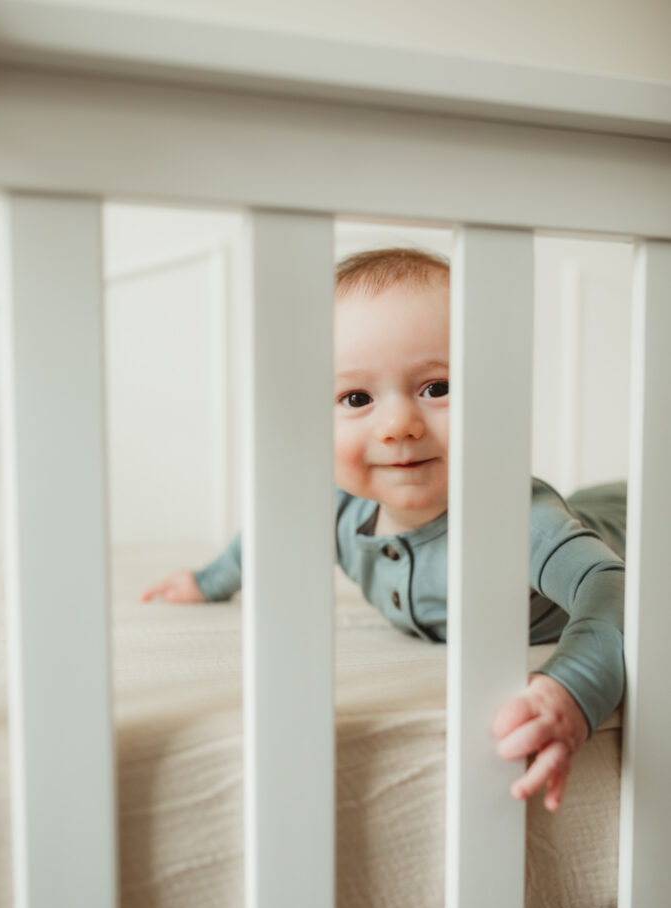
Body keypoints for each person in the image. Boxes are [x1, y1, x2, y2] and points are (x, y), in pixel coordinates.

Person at [142, 248, 626, 813]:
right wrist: (209, 581)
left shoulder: (517, 519)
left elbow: (615, 592)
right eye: (356, 398)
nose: (398, 425)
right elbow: (270, 538)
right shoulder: (334, 509)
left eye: (437, 388)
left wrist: (572, 687)